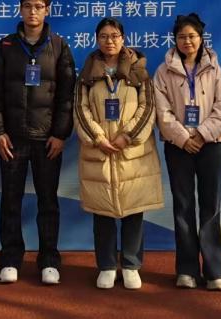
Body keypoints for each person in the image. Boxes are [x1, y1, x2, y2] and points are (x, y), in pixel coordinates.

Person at [0, 0, 76, 286]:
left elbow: (67, 96)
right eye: (27, 6)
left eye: (38, 7)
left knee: (48, 202)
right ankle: (10, 259)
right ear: (20, 9)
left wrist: (60, 134)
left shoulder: (59, 46)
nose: (33, 12)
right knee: (10, 201)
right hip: (12, 139)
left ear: (47, 10)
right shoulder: (6, 47)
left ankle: (49, 260)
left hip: (47, 140)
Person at [74, 17, 163, 290]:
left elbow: (148, 108)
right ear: (96, 40)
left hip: (132, 152)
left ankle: (132, 264)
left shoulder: (138, 70)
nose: (109, 41)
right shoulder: (88, 72)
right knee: (102, 212)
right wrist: (98, 138)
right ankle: (107, 265)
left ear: (123, 39)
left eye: (114, 36)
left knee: (134, 211)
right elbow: (80, 109)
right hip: (99, 151)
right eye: (103, 36)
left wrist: (127, 136)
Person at [153, 13, 221, 291]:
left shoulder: (214, 68)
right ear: (174, 40)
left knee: (210, 207)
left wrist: (201, 134)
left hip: (211, 145)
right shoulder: (163, 71)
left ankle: (214, 271)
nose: (187, 41)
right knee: (183, 206)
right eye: (181, 37)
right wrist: (183, 138)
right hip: (178, 147)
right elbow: (161, 112)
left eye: (192, 36)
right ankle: (186, 270)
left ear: (201, 38)